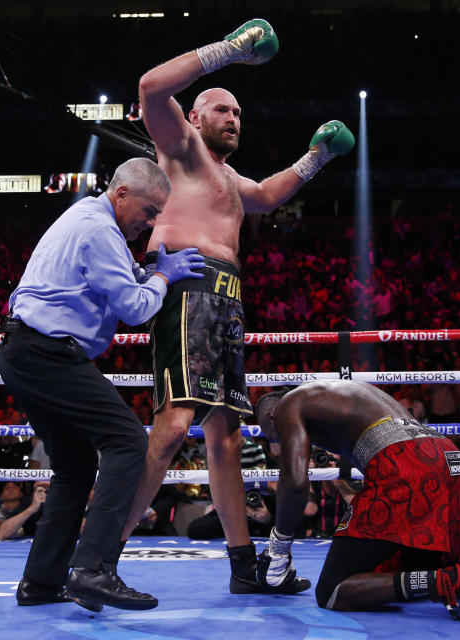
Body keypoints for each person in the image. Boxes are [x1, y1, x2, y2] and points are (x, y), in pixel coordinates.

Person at [123, 18, 354, 595]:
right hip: (187, 284)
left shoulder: (227, 178)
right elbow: (152, 85)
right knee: (174, 425)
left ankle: (244, 568)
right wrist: (230, 51)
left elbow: (268, 196)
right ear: (196, 117)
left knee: (225, 435)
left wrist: (317, 156)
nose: (235, 118)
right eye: (223, 109)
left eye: (240, 114)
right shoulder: (179, 148)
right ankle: (99, 555)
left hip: (227, 298)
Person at [0, 157, 205, 612]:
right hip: (46, 353)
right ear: (123, 194)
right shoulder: (99, 230)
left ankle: (40, 581)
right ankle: (92, 569)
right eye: (149, 211)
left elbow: (114, 277)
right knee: (128, 441)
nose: (150, 223)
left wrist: (149, 271)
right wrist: (164, 278)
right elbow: (135, 308)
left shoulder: (85, 217)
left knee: (74, 468)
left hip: (27, 353)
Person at [254, 380, 460, 624]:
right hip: (446, 458)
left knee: (333, 591)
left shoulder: (287, 406)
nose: (277, 442)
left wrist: (278, 546)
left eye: (272, 434)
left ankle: (454, 578)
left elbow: (295, 483)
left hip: (406, 466)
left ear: (271, 413)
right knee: (389, 570)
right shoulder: (337, 394)